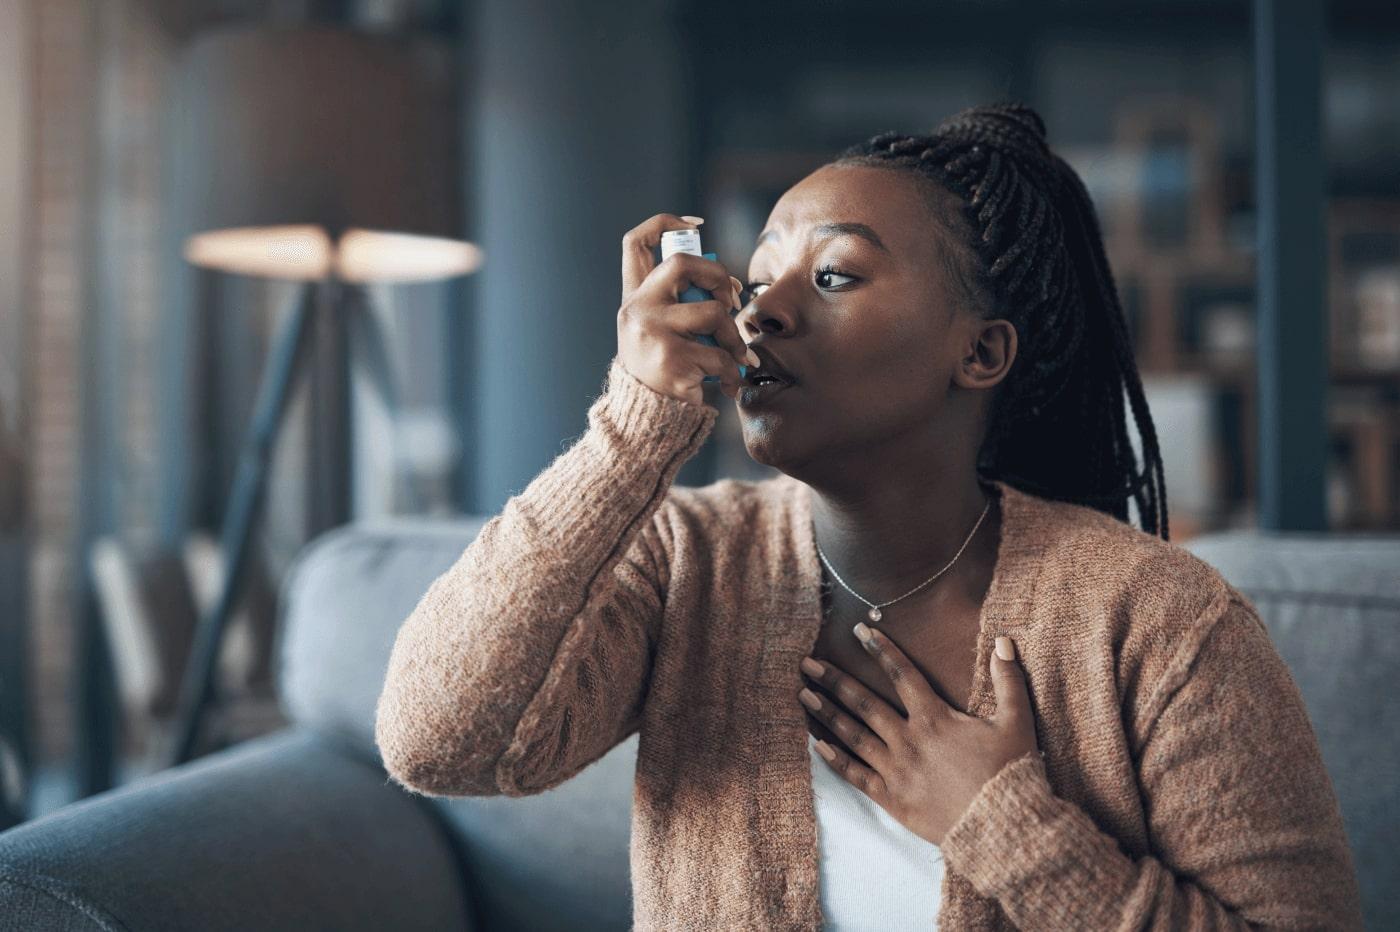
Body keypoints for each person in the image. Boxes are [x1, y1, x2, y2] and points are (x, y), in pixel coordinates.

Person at [374, 102, 1363, 930]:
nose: (761, 313)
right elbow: (433, 740)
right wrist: (633, 431)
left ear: (978, 354)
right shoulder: (687, 564)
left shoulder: (1157, 619)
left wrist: (1003, 823)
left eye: (834, 274)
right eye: (754, 280)